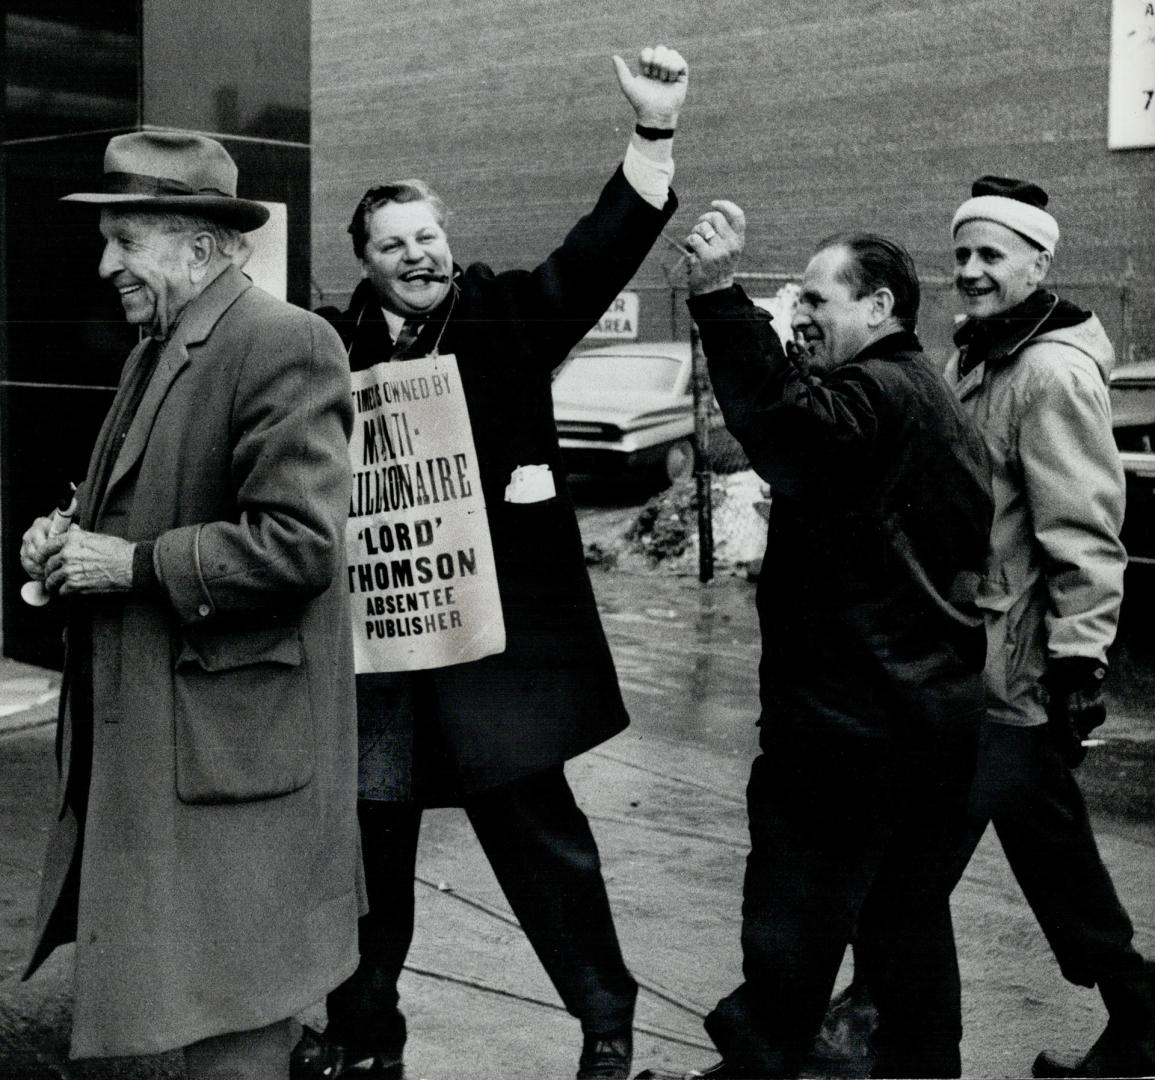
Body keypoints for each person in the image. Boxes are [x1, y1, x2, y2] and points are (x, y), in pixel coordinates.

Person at [291, 47, 686, 1080]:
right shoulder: (329, 352)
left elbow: (597, 254)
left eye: (429, 235)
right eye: (394, 244)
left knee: (538, 838)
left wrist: (651, 135)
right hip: (379, 650)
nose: (419, 254)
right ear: (362, 262)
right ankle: (362, 1034)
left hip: (492, 646)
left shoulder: (506, 315)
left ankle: (606, 1020)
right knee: (369, 844)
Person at [18, 131, 361, 1079]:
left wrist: (127, 564)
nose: (105, 265)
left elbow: (297, 545)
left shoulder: (284, 342)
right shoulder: (158, 350)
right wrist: (67, 539)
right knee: (206, 1006)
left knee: (238, 1022)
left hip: (230, 761)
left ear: (200, 248)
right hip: (183, 753)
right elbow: (144, 506)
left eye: (125, 241)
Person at [637, 205, 994, 1079]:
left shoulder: (874, 393)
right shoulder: (921, 395)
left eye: (816, 296)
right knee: (902, 924)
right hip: (928, 716)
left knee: (793, 917)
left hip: (849, 723)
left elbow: (785, 430)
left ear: (877, 307)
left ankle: (758, 1065)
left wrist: (719, 296)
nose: (798, 310)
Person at [944, 176, 1154, 1078]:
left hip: (1013, 668)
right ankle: (1139, 1017)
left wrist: (1078, 665)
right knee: (1046, 850)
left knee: (917, 857)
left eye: (991, 255)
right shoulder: (978, 358)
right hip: (973, 655)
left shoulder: (1049, 371)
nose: (970, 271)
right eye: (961, 254)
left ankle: (852, 1017)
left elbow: (1083, 531)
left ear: (1039, 260)